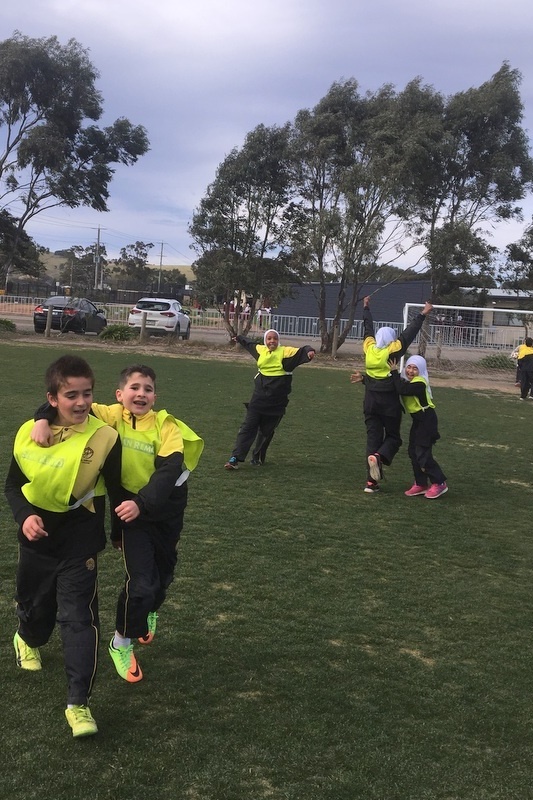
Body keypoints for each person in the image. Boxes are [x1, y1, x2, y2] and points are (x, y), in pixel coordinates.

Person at [31, 364, 204, 685]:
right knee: (142, 584)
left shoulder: (167, 427)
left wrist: (142, 502)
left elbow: (169, 472)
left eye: (148, 389)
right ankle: (121, 642)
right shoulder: (109, 415)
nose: (141, 394)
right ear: (120, 394)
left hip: (165, 511)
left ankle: (151, 608)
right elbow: (68, 403)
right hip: (131, 515)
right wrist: (42, 418)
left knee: (162, 578)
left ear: (155, 396)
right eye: (134, 388)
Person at [4, 355, 124, 738]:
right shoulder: (29, 432)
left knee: (78, 620)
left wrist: (119, 532)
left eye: (87, 393)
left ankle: (79, 704)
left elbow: (117, 488)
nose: (81, 402)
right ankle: (28, 637)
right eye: (71, 394)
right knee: (36, 610)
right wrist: (25, 516)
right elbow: (11, 485)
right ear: (52, 398)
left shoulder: (105, 436)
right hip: (37, 539)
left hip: (80, 540)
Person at [351, 295, 433, 493]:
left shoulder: (369, 349)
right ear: (390, 339)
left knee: (373, 439)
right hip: (388, 403)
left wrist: (366, 309)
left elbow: (367, 329)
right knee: (394, 438)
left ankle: (371, 482)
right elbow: (409, 333)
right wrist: (422, 314)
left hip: (370, 402)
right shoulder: (393, 351)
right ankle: (380, 457)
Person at [224, 329, 315, 469]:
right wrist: (240, 338)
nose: (272, 341)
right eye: (269, 339)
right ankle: (234, 458)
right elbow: (250, 344)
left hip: (277, 403)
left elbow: (302, 350)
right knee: (247, 428)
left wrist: (310, 351)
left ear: (278, 341)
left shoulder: (286, 354)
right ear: (265, 341)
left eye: (275, 339)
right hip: (258, 400)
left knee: (266, 432)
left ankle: (257, 456)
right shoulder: (261, 351)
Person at [388, 355, 448, 499]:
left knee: (422, 453)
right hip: (418, 420)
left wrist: (394, 371)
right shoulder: (405, 380)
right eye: (409, 367)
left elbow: (403, 390)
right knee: (412, 452)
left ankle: (439, 482)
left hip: (427, 420)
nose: (410, 371)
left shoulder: (420, 383)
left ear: (420, 371)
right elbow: (394, 385)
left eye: (415, 368)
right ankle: (421, 483)